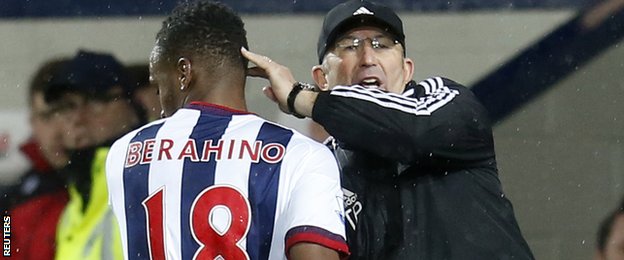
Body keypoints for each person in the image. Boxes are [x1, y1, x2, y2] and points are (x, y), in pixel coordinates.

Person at [242, 0, 535, 259]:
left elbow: (412, 133)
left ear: (407, 70)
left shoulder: (445, 100)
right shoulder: (320, 166)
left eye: (381, 44)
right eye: (349, 46)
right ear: (322, 78)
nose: (368, 58)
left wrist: (298, 98)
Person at [105, 1, 348, 260]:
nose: (162, 106)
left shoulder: (125, 153)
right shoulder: (302, 155)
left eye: (160, 85)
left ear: (184, 72)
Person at [43, 49, 145, 260]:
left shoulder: (151, 180)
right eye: (67, 106)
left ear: (132, 105)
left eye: (96, 100)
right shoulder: (73, 206)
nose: (78, 118)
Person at [2, 58, 71, 259]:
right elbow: (7, 249)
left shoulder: (116, 183)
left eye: (65, 114)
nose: (57, 132)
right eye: (47, 117)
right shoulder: (14, 200)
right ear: (33, 123)